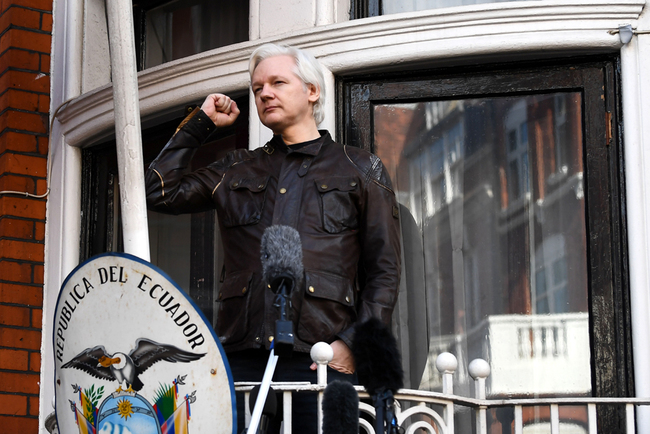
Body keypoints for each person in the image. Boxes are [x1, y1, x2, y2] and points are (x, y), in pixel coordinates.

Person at [145, 43, 401, 433]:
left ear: (312, 91)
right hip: (240, 357)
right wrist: (202, 122)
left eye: (278, 82)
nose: (265, 93)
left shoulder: (361, 169)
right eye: (257, 87)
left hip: (323, 356)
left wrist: (353, 343)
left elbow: (384, 271)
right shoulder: (236, 168)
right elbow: (159, 191)